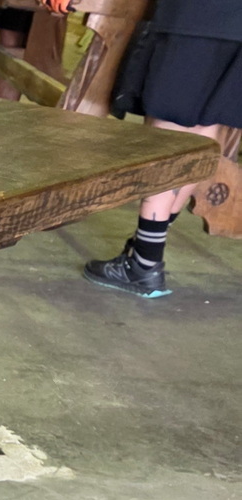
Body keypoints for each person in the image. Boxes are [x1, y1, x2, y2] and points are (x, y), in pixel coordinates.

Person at [79, 0, 242, 298]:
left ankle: (144, 264)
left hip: (197, 19)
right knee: (204, 129)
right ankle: (143, 251)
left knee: (169, 134)